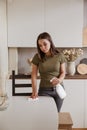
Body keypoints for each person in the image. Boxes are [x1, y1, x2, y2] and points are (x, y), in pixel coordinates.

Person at [30, 32, 66, 112]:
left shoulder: (60, 56)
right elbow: (34, 75)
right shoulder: (37, 57)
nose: (43, 47)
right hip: (44, 90)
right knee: (44, 115)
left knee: (57, 114)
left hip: (58, 90)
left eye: (45, 44)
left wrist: (59, 80)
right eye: (40, 45)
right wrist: (34, 91)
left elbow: (63, 72)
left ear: (50, 42)